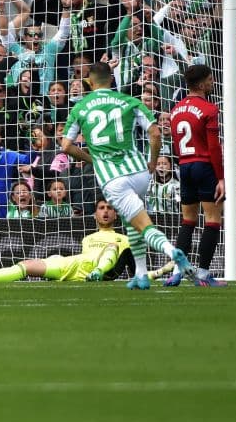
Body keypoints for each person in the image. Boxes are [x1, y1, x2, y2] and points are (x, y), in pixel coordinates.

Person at [60, 61, 200, 290]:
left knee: (143, 225)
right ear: (112, 80)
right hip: (139, 172)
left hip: (114, 179)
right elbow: (155, 132)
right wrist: (153, 162)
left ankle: (173, 252)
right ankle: (142, 275)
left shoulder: (81, 107)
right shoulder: (130, 101)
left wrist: (92, 159)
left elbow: (66, 145)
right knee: (130, 223)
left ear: (90, 82)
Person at [0, 198, 134, 283]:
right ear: (95, 215)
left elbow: (138, 272)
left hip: (92, 270)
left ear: (116, 214)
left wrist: (160, 272)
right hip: (76, 266)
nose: (106, 211)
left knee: (111, 247)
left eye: (110, 208)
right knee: (32, 263)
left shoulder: (125, 239)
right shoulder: (88, 238)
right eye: (101, 208)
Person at [166, 65, 225, 286]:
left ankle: (179, 272)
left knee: (188, 220)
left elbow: (175, 144)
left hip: (185, 166)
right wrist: (221, 178)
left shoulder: (175, 109)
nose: (212, 82)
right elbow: (214, 147)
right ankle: (202, 274)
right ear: (200, 84)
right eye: (210, 79)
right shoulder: (209, 109)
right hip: (204, 165)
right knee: (212, 219)